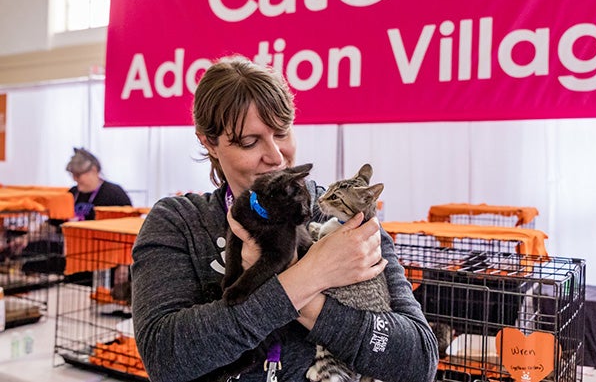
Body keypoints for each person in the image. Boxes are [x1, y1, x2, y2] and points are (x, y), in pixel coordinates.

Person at [131, 56, 439, 382]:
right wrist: (307, 276)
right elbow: (165, 360)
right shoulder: (180, 223)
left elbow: (418, 361)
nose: (276, 157)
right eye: (250, 142)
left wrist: (310, 302)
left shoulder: (334, 214)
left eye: (282, 133)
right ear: (208, 141)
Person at [66, 147, 132, 220]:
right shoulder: (72, 193)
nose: (74, 179)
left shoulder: (114, 194)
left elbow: (129, 222)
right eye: (72, 174)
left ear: (94, 170)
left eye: (78, 175)